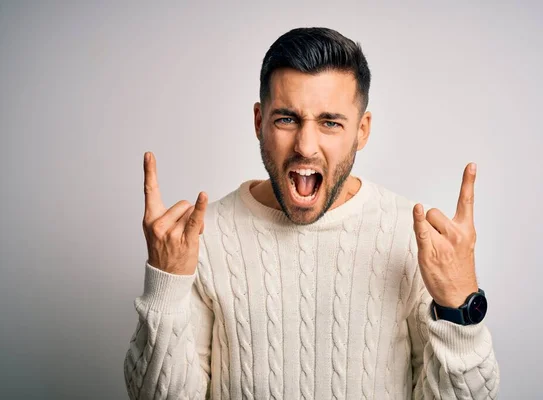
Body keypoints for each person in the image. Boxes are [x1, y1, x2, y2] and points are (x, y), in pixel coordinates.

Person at [124, 27, 500, 399]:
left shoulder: (410, 237)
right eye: (286, 119)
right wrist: (165, 286)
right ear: (259, 122)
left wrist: (458, 304)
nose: (305, 145)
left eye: (330, 123)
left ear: (362, 131)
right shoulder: (204, 237)